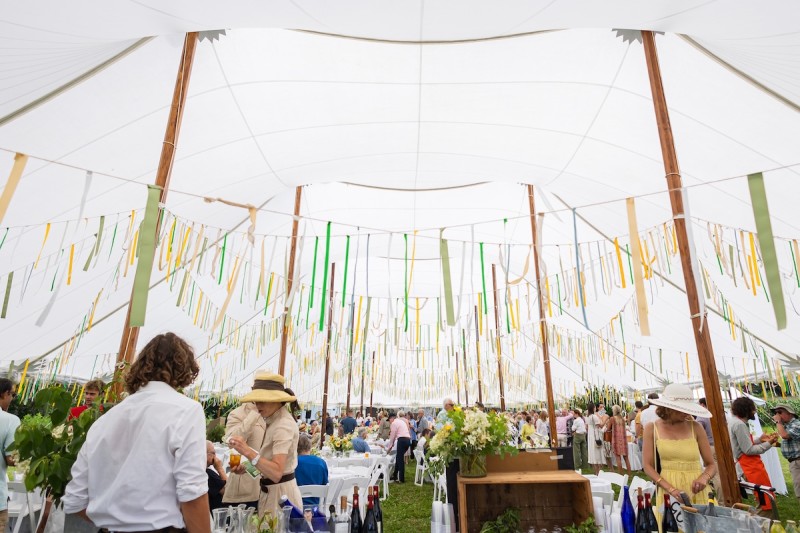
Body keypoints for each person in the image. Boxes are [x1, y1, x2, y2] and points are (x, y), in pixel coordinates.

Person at [62, 332, 211, 533]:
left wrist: (116, 521)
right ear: (184, 369)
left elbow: (75, 500)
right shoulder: (186, 410)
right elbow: (192, 492)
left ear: (140, 366)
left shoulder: (105, 419)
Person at [228, 371, 303, 516]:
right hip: (274, 494)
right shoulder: (274, 420)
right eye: (256, 400)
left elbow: (276, 473)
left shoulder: (282, 425)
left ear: (276, 400)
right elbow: (268, 464)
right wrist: (247, 467)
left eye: (262, 400)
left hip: (280, 497)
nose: (257, 405)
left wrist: (246, 451)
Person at [642, 383, 716, 507]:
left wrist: (704, 478)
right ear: (668, 408)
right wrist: (671, 489)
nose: (686, 412)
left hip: (698, 491)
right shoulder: (652, 428)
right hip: (669, 491)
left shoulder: (696, 427)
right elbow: (647, 466)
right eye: (682, 409)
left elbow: (711, 464)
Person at [729, 397, 776, 513]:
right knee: (764, 499)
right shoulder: (739, 425)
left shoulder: (734, 421)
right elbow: (748, 450)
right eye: (753, 409)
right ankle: (764, 525)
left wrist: (760, 439)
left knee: (762, 497)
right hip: (750, 466)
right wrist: (769, 443)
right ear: (746, 410)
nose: (754, 411)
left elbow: (743, 443)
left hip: (747, 464)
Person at [223, 402, 266, 510]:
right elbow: (232, 441)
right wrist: (254, 413)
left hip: (269, 487)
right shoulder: (238, 413)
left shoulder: (273, 413)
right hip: (247, 488)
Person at [0, 379, 19, 532]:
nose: (11, 399)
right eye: (12, 394)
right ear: (4, 394)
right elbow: (11, 459)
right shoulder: (10, 420)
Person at [771, 403, 800, 501]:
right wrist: (775, 443)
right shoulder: (788, 426)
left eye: (780, 412)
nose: (777, 415)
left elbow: (785, 435)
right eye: (776, 413)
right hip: (795, 462)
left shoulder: (796, 424)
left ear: (790, 413)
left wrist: (778, 423)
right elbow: (793, 444)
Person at [295, 434, 328, 506]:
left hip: (296, 506)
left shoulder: (293, 463)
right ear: (310, 447)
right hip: (316, 507)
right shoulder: (321, 462)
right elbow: (325, 484)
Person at [604, 405, 631, 475]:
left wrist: (607, 425)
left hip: (616, 439)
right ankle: (629, 474)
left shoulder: (612, 419)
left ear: (614, 411)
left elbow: (608, 429)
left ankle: (621, 474)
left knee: (618, 458)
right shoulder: (622, 419)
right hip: (624, 439)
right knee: (626, 458)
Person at [386, 410, 411, 483]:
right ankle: (394, 475)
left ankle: (401, 479)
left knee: (400, 460)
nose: (389, 422)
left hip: (402, 440)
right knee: (398, 457)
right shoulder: (401, 421)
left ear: (392, 418)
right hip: (407, 440)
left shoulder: (394, 423)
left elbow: (392, 436)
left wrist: (389, 448)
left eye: (389, 420)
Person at [206, 441, 227, 512]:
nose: (215, 457)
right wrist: (220, 469)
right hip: (219, 515)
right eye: (213, 453)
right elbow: (227, 492)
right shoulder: (208, 474)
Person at [586, 403, 606, 476]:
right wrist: (605, 419)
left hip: (590, 436)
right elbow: (599, 426)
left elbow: (587, 427)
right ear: (593, 408)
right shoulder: (594, 416)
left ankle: (596, 472)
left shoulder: (588, 417)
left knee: (593, 453)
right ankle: (599, 472)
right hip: (596, 436)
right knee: (598, 453)